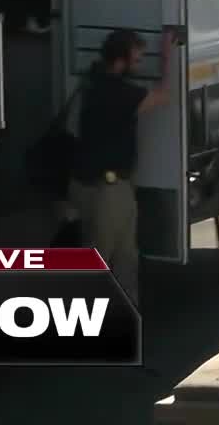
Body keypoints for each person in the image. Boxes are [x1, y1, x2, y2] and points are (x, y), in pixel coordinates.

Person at [69, 27, 174, 309]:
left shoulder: (92, 82)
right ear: (121, 59)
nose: (139, 65)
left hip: (102, 186)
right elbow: (163, 96)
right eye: (137, 59)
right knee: (105, 259)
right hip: (109, 190)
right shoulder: (118, 92)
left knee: (124, 257)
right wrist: (168, 56)